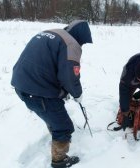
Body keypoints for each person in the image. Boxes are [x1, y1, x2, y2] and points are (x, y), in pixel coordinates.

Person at [11, 20, 92, 168]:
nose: (82, 45)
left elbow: (50, 64)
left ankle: (56, 134)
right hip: (38, 91)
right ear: (80, 37)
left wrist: (63, 91)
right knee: (64, 127)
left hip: (21, 84)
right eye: (84, 42)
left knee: (53, 115)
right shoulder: (71, 44)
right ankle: (59, 161)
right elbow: (69, 75)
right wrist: (77, 93)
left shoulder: (51, 33)